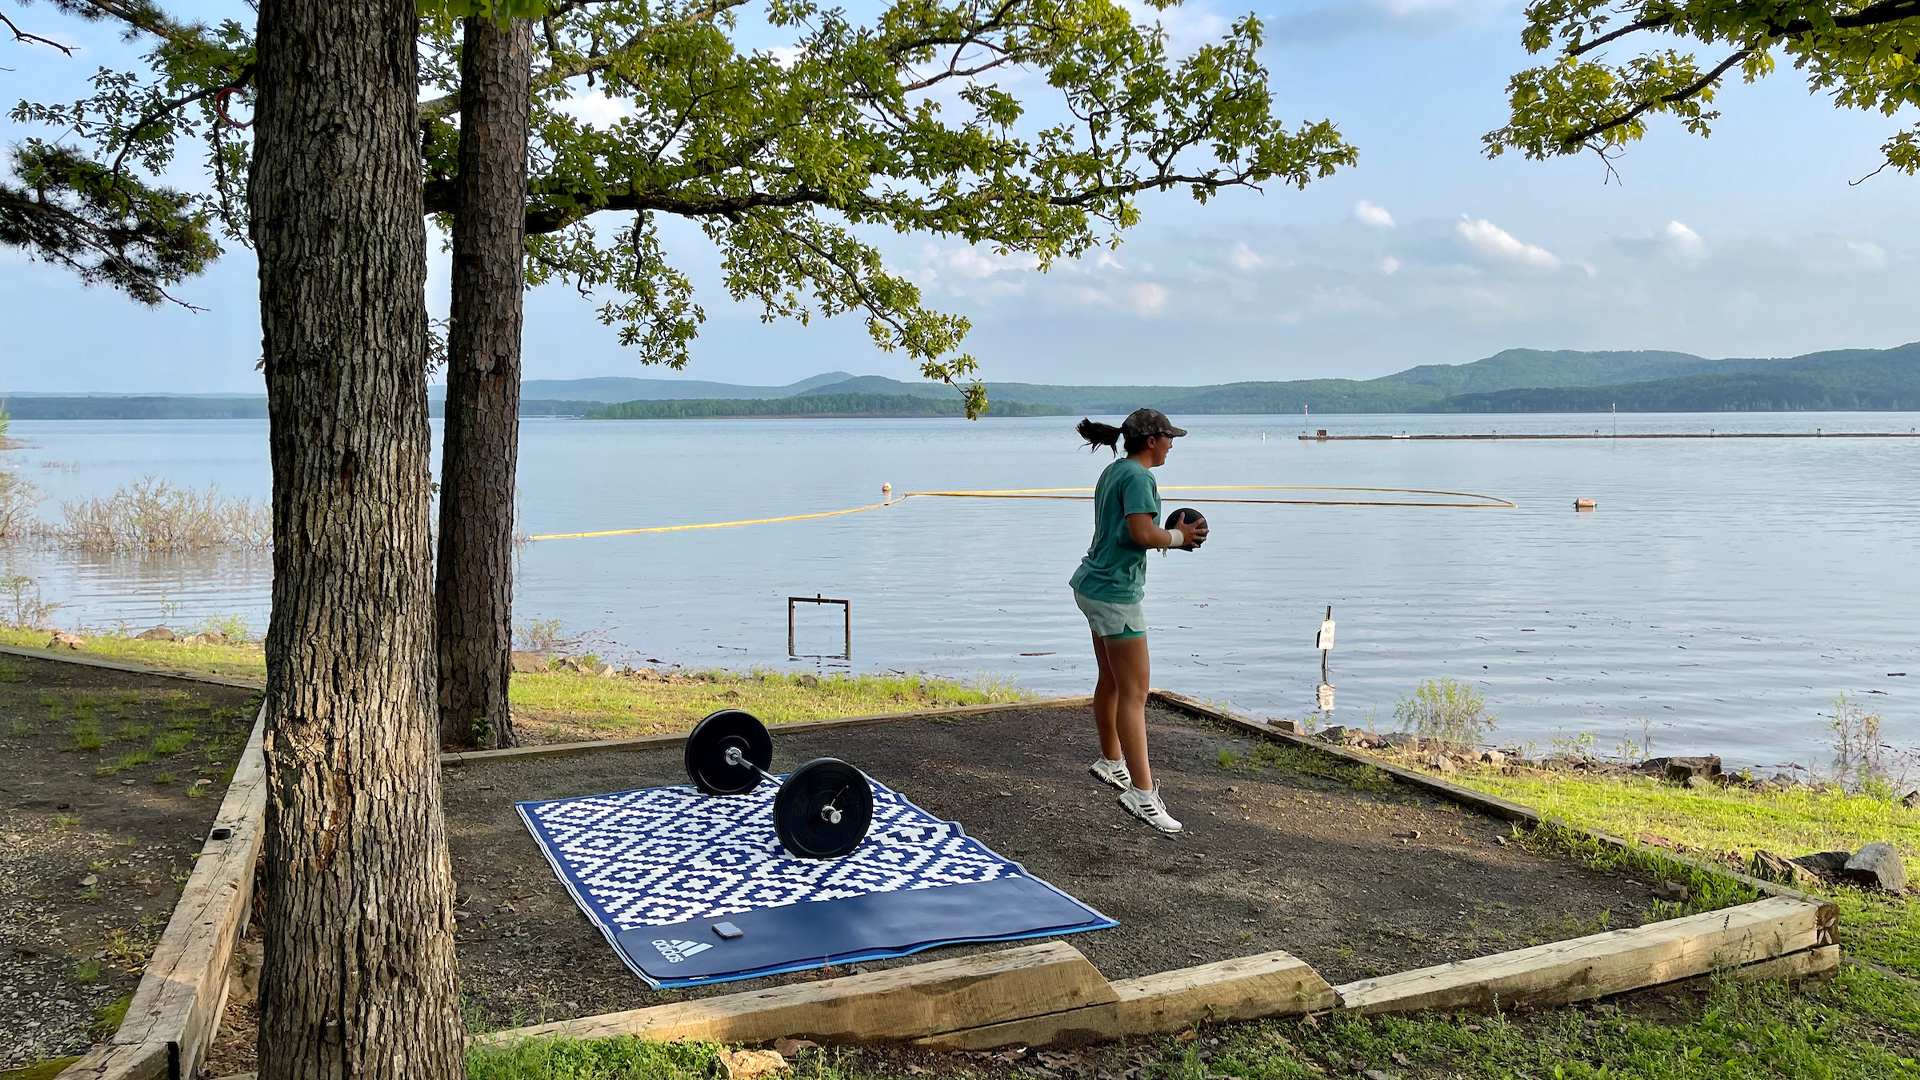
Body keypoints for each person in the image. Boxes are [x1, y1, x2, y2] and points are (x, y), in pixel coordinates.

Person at [1068, 408, 1206, 833]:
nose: (1171, 446)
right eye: (1169, 439)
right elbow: (1142, 534)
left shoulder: (1115, 471)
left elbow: (1128, 532)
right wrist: (1181, 538)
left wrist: (1168, 538)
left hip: (1091, 584)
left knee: (1110, 680)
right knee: (1135, 692)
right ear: (1151, 441)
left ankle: (1112, 761)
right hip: (1116, 594)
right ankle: (1142, 796)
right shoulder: (1141, 478)